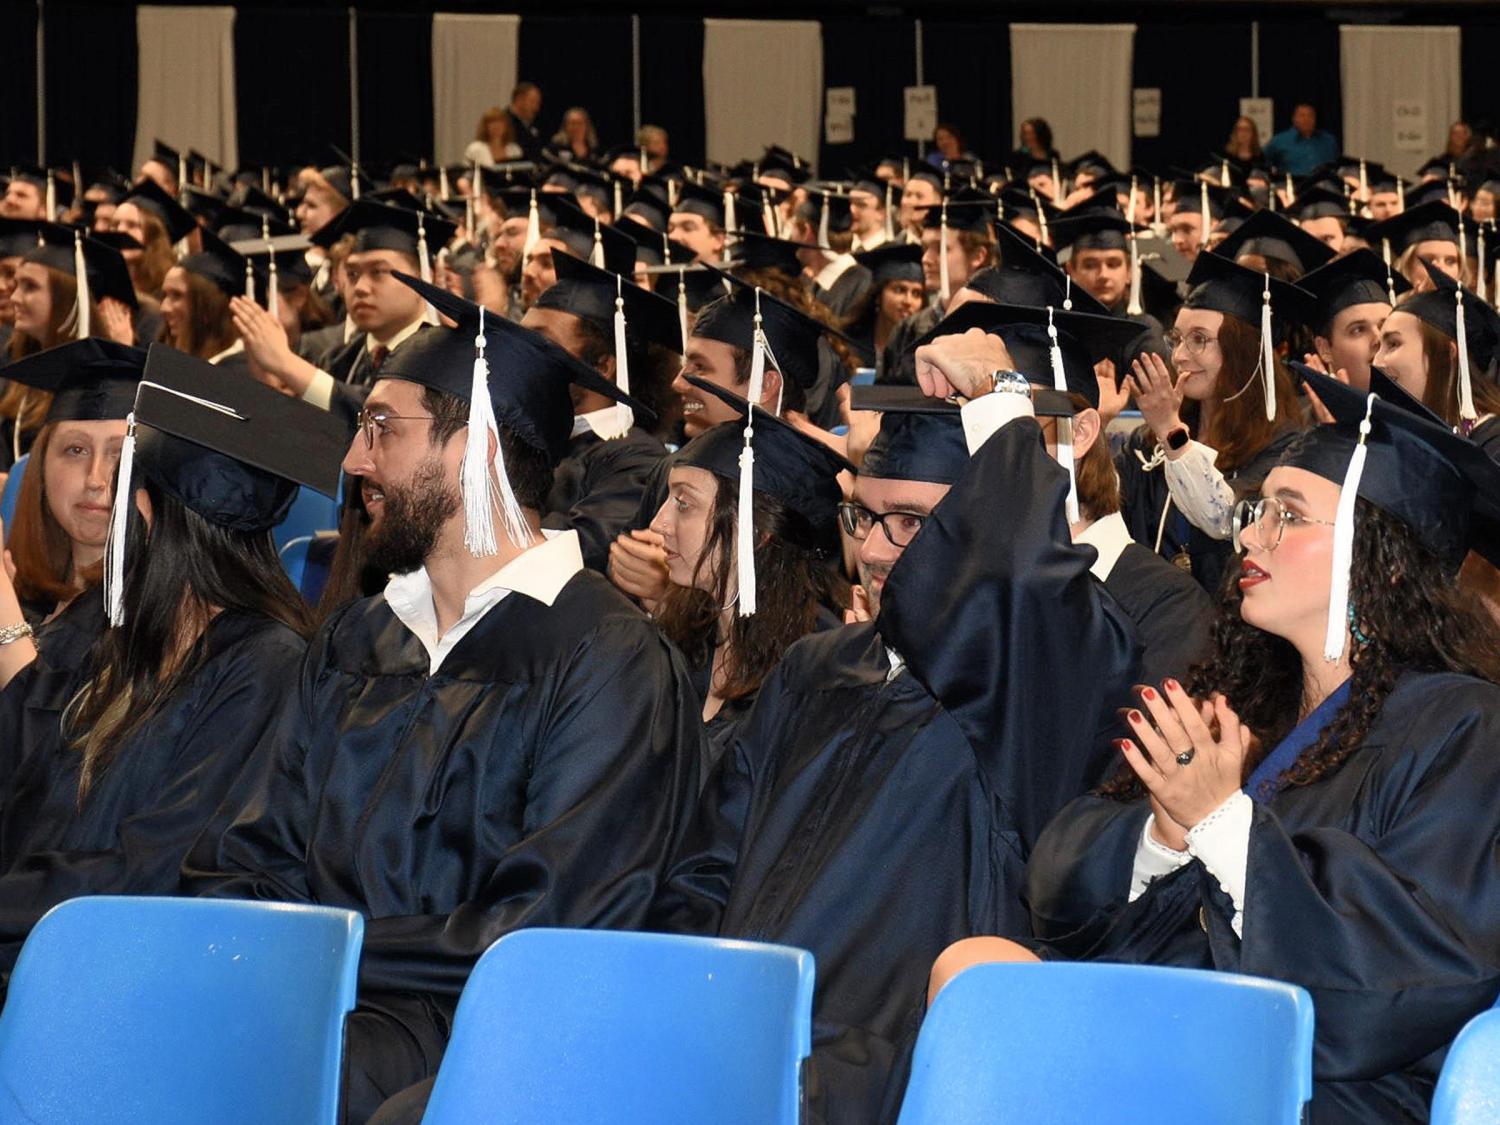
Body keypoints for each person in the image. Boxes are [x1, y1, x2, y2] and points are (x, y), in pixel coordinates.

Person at [183, 274, 703, 1125]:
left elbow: (547, 927)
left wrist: (325, 955)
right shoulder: (359, 639)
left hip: (479, 1043)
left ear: (477, 447)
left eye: (380, 429)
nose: (353, 460)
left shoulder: (604, 656)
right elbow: (250, 855)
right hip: (316, 1005)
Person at [939, 369, 1500, 1123]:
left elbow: (1415, 973)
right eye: (1257, 508)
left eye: (1288, 515)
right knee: (974, 967)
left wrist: (1223, 824)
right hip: (1185, 1031)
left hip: (1320, 1084)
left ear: (1385, 557)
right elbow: (1063, 868)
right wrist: (1162, 836)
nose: (1249, 533)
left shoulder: (1463, 727)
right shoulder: (1245, 699)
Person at [650, 307, 1141, 1124]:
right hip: (743, 1037)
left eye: (913, 522)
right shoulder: (819, 666)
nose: (875, 550)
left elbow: (1029, 591)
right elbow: (708, 866)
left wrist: (999, 408)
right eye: (866, 517)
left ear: (977, 533)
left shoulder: (1028, 687)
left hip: (896, 1068)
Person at [0, 344, 344, 985]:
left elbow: (153, 867)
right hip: (41, 948)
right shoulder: (118, 636)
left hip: (118, 978)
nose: (105, 499)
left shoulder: (266, 669)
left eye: (127, 489)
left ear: (155, 514)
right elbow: (25, 775)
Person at [651, 376, 849, 764]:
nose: (659, 523)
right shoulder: (684, 633)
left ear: (756, 532)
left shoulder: (815, 670)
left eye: (683, 504)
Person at [1117, 250, 1311, 594]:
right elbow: (1096, 512)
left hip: (1231, 629)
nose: (1178, 356)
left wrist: (1170, 433)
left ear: (1245, 352)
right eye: (1176, 338)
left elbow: (1223, 518)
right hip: (1152, 623)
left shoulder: (1287, 447)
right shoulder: (1147, 445)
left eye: (1199, 340)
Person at [230, 201, 457, 427]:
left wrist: (285, 363)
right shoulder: (338, 358)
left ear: (425, 276)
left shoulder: (445, 357)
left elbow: (385, 420)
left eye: (378, 272)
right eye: (352, 273)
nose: (360, 287)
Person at [519, 250, 679, 572]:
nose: (519, 353)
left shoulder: (636, 460)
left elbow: (578, 555)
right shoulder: (530, 439)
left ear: (602, 365)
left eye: (540, 342)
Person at [2, 340, 136, 626]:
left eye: (120, 454)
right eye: (76, 450)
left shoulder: (162, 615)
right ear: (41, 466)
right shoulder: (20, 593)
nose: (95, 479)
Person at [3, 225, 138, 465]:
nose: (14, 298)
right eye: (18, 285)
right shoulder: (13, 361)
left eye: (30, 287)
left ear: (68, 298)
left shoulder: (101, 380)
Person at [1375, 260, 1500, 437]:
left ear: (1446, 355)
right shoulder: (1409, 436)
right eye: (1378, 347)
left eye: (1393, 344)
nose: (1376, 361)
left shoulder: (1493, 446)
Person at [1292, 248, 1409, 393]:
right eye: (1358, 330)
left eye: (1384, 325)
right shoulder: (1305, 415)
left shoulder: (1425, 410)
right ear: (1324, 348)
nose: (1378, 338)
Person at [158, 230, 253, 374]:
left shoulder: (237, 371)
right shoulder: (177, 360)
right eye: (164, 295)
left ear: (209, 306)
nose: (164, 308)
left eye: (177, 296)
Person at [845, 243, 925, 376]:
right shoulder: (849, 345)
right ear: (878, 295)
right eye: (899, 290)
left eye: (916, 293)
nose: (908, 301)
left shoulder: (922, 349)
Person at [791, 189, 873, 318]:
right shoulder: (814, 284)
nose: (790, 236)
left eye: (794, 227)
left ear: (806, 231)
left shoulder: (861, 288)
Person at [111, 179, 195, 301]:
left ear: (155, 237)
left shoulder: (170, 296)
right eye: (115, 224)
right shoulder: (103, 285)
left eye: (132, 225)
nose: (120, 230)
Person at [1366, 201, 1465, 291]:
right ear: (1406, 267)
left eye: (1450, 261)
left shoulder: (1471, 310)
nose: (1441, 269)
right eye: (1428, 261)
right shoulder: (1388, 310)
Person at [1261, 103, 1339, 177]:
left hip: (1324, 187)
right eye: (1302, 116)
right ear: (1294, 119)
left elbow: (1336, 166)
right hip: (1292, 187)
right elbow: (1262, 163)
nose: (1306, 119)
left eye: (1310, 115)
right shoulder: (1279, 141)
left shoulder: (1328, 141)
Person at [507, 81, 545, 162]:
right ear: (519, 100)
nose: (536, 108)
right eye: (532, 102)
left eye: (538, 103)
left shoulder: (532, 126)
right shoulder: (504, 122)